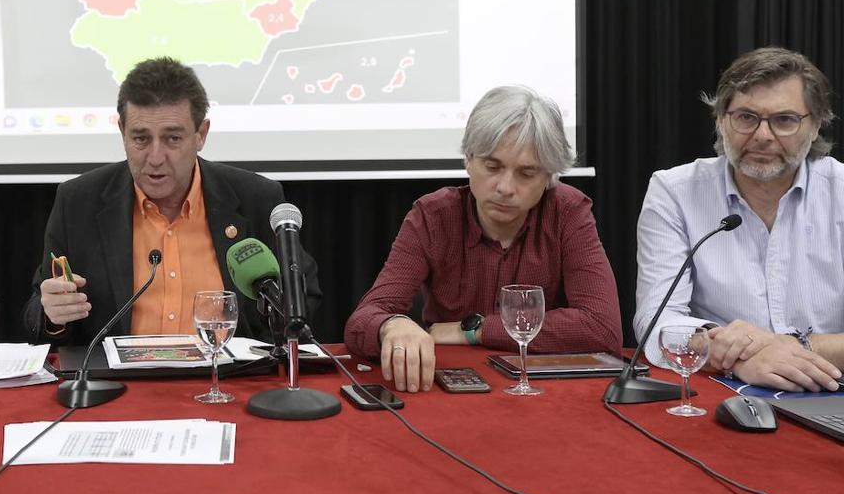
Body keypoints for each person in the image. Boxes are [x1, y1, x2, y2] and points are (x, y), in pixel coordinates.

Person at [22, 56, 319, 346]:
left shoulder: (256, 198)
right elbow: (39, 312)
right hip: (120, 390)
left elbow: (304, 299)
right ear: (122, 132)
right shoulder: (78, 202)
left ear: (200, 134)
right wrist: (53, 315)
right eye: (140, 138)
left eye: (172, 139)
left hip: (226, 383)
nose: (154, 158)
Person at [344, 85, 622, 394]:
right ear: (468, 160)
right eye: (492, 166)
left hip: (543, 394)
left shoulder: (567, 212)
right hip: (449, 391)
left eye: (526, 174)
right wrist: (391, 325)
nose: (505, 187)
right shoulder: (434, 216)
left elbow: (602, 328)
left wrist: (474, 331)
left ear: (549, 178)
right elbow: (361, 322)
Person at [635, 47, 843, 392]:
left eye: (784, 120)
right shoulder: (674, 191)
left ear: (815, 125)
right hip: (725, 387)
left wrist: (794, 348)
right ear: (721, 120)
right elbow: (655, 320)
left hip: (831, 385)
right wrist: (728, 353)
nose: (762, 135)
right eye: (746, 117)